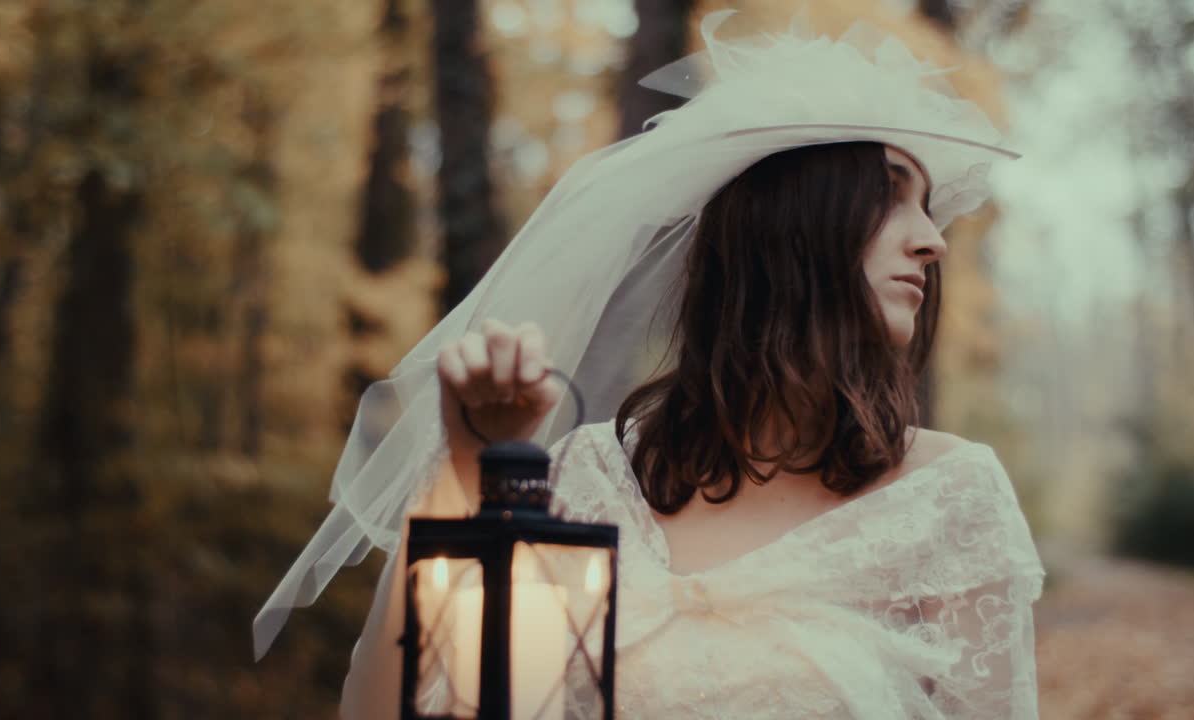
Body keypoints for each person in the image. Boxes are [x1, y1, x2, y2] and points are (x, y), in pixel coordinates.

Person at [254, 10, 1045, 719]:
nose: (932, 239)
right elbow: (386, 711)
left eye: (928, 207)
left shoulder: (948, 498)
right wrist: (467, 471)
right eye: (892, 195)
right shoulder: (585, 485)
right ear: (790, 225)